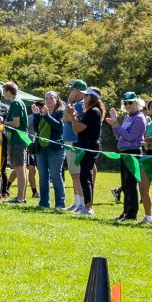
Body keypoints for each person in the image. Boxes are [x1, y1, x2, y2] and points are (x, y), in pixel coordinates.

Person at [107, 91, 147, 221]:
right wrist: (115, 124)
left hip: (133, 152)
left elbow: (130, 137)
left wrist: (117, 125)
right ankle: (125, 212)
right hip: (124, 152)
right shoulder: (127, 117)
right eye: (126, 103)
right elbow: (119, 136)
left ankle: (131, 215)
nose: (128, 105)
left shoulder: (140, 118)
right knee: (125, 184)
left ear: (137, 103)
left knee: (130, 183)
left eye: (131, 102)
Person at [68, 87, 104, 215]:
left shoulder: (93, 112)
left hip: (90, 147)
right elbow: (77, 129)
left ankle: (88, 207)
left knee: (85, 176)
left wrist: (72, 116)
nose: (84, 98)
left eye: (86, 96)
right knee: (84, 176)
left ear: (92, 98)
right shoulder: (90, 112)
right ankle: (86, 205)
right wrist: (75, 118)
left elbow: (77, 129)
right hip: (86, 146)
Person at [0, 82, 29, 203]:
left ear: (9, 91)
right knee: (21, 168)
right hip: (19, 139)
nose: (3, 94)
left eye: (4, 91)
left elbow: (16, 123)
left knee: (19, 168)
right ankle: (22, 197)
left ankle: (20, 198)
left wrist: (3, 122)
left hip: (17, 140)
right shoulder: (18, 102)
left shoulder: (15, 103)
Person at [33, 91, 66, 209]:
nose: (48, 100)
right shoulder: (43, 111)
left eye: (51, 98)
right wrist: (37, 115)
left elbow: (59, 127)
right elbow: (37, 128)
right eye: (46, 98)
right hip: (41, 148)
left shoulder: (61, 112)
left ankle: (60, 204)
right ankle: (44, 203)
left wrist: (47, 116)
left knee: (56, 176)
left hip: (55, 148)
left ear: (56, 99)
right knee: (43, 177)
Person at [62, 79, 87, 211]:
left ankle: (82, 203)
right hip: (69, 140)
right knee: (73, 174)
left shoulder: (79, 104)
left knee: (77, 174)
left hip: (74, 140)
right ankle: (77, 202)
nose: (70, 92)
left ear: (78, 90)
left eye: (72, 89)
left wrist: (69, 101)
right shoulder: (76, 103)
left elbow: (65, 118)